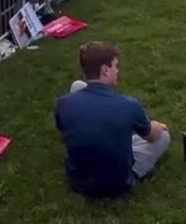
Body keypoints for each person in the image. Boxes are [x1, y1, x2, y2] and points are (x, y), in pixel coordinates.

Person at [54, 42, 169, 197]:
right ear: (105, 70)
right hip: (118, 183)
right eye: (115, 66)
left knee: (77, 86)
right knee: (163, 136)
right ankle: (130, 167)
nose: (118, 70)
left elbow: (63, 135)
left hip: (78, 180)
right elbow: (152, 136)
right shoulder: (129, 105)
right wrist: (158, 125)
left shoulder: (64, 102)